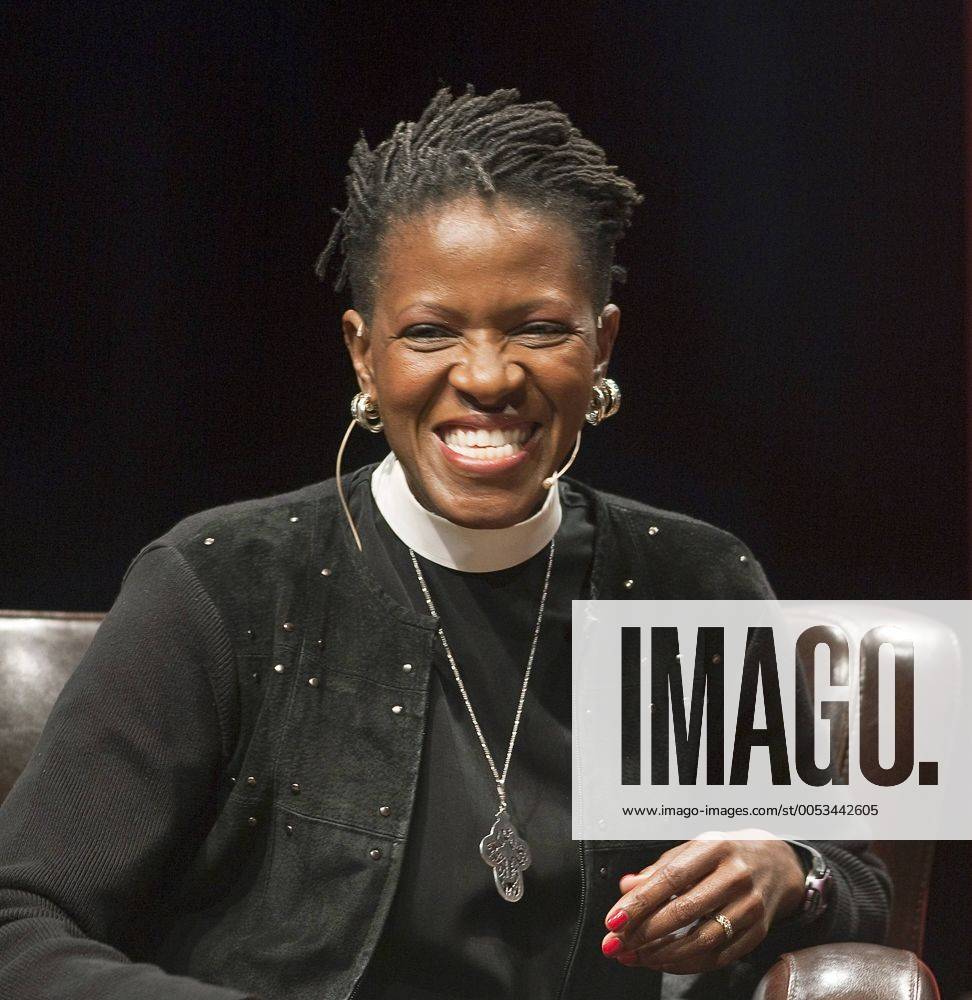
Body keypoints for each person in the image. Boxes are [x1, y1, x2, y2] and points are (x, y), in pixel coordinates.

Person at [0, 85, 889, 1000]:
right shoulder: (225, 583)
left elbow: (855, 883)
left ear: (602, 344)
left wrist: (792, 872)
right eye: (429, 333)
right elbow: (19, 923)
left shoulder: (686, 578)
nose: (487, 377)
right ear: (363, 354)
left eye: (540, 330)